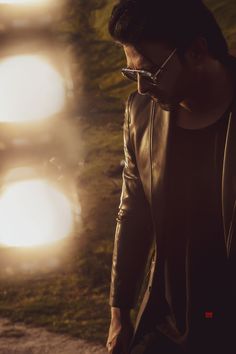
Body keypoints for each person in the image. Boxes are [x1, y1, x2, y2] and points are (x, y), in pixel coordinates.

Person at [106, 0, 236, 353]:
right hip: (167, 324)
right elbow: (133, 213)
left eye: (149, 72)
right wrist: (120, 313)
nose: (141, 88)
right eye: (132, 74)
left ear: (196, 51)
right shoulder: (141, 114)